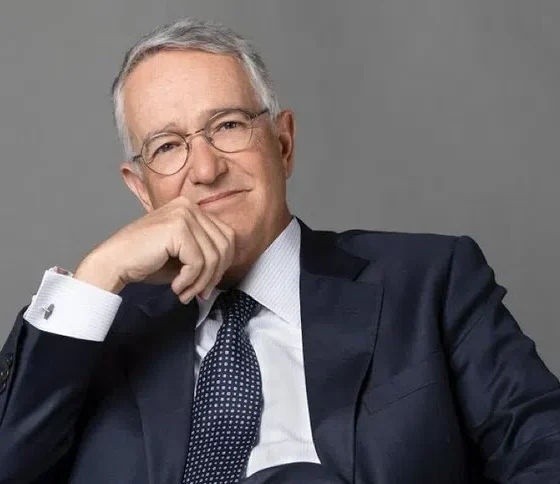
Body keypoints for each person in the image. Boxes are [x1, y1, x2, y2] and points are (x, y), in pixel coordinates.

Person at [0, 17, 559, 484]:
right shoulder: (88, 334)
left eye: (228, 125)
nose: (206, 169)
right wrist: (98, 273)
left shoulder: (430, 282)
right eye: (167, 147)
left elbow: (545, 450)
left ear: (283, 143)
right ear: (142, 189)